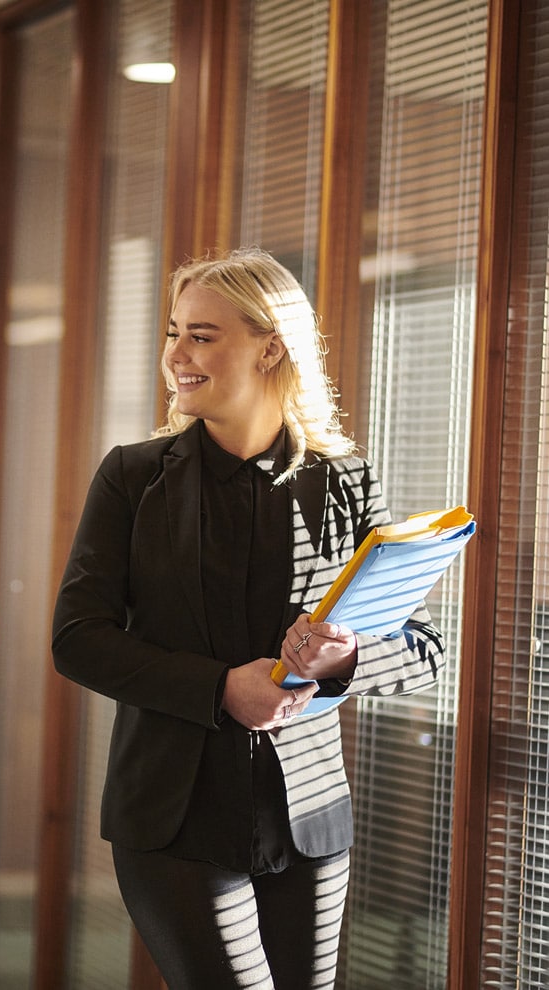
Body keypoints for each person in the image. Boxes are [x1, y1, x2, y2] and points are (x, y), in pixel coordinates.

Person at [51, 247, 445, 990]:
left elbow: (421, 647)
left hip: (310, 821)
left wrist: (345, 660)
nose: (176, 355)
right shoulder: (133, 477)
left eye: (201, 335)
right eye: (174, 333)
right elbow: (78, 640)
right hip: (174, 819)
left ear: (270, 346)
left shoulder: (347, 478)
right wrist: (219, 688)